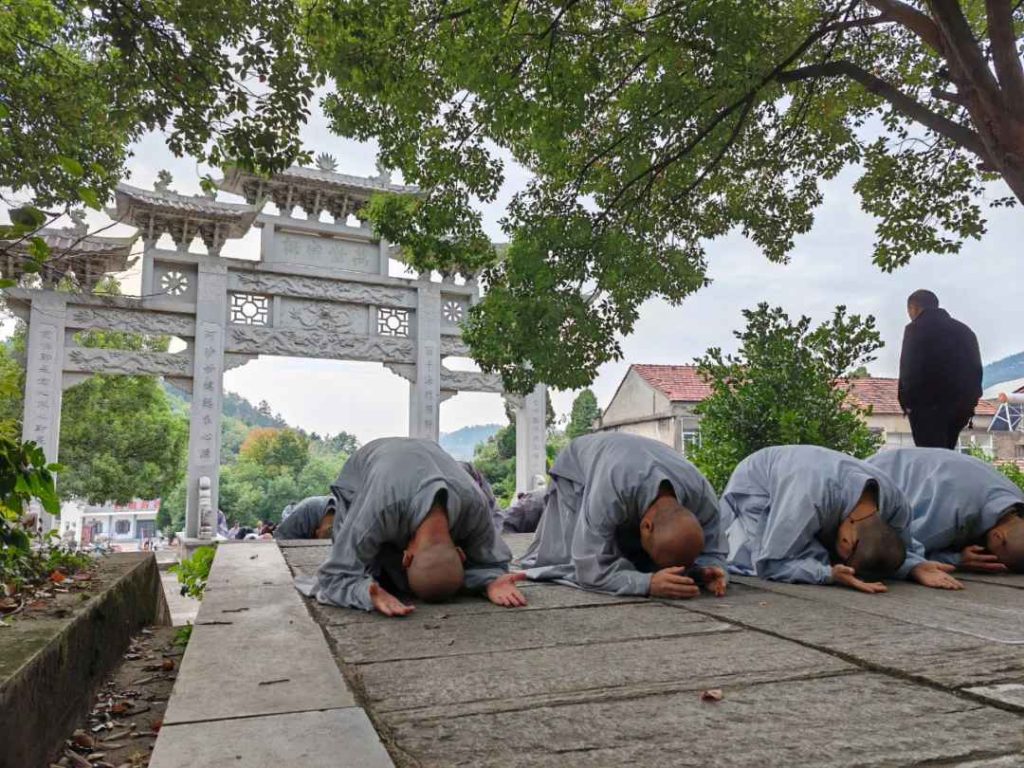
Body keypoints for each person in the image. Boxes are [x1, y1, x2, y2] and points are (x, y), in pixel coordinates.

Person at [307, 437, 526, 616]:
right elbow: (334, 575)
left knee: (423, 582)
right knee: (371, 572)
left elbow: (491, 560)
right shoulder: (378, 509)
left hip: (425, 457)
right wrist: (365, 593)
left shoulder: (474, 504)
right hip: (369, 465)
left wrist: (491, 582)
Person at [721, 445, 963, 593]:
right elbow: (772, 561)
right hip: (759, 485)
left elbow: (901, 545)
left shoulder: (896, 503)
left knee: (826, 555)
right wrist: (828, 574)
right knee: (795, 560)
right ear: (846, 544)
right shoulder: (807, 498)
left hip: (815, 481)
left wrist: (914, 567)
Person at [519, 432, 728, 599]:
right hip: (578, 466)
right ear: (646, 526)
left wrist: (711, 571)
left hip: (632, 460)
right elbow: (590, 566)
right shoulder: (608, 495)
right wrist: (647, 584)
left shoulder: (703, 497)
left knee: (635, 562)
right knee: (564, 559)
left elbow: (714, 550)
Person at [868, 447, 1024, 573]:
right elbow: (898, 551)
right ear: (997, 537)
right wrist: (956, 560)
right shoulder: (948, 520)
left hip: (907, 463)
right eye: (998, 559)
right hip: (871, 478)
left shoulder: (1016, 498)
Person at [898, 290, 982, 449]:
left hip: (926, 407)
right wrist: (971, 402)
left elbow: (909, 369)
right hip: (960, 408)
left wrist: (906, 402)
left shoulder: (915, 329)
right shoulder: (965, 331)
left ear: (913, 308)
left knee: (930, 456)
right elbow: (976, 370)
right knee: (946, 453)